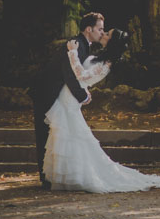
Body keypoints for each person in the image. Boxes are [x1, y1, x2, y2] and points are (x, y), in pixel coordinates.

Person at [42, 27, 160, 192]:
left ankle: (79, 177)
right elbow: (85, 79)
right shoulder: (101, 57)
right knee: (68, 135)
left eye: (107, 34)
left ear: (112, 42)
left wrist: (72, 52)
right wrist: (85, 90)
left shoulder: (106, 64)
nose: (103, 33)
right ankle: (66, 178)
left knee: (73, 136)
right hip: (68, 96)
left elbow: (82, 76)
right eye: (104, 31)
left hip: (70, 99)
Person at [29, 12, 104, 189]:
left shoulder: (85, 45)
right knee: (45, 132)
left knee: (54, 134)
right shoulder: (76, 44)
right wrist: (82, 96)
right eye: (100, 29)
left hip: (57, 94)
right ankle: (46, 177)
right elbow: (69, 74)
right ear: (89, 29)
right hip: (46, 92)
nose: (102, 32)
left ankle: (51, 176)